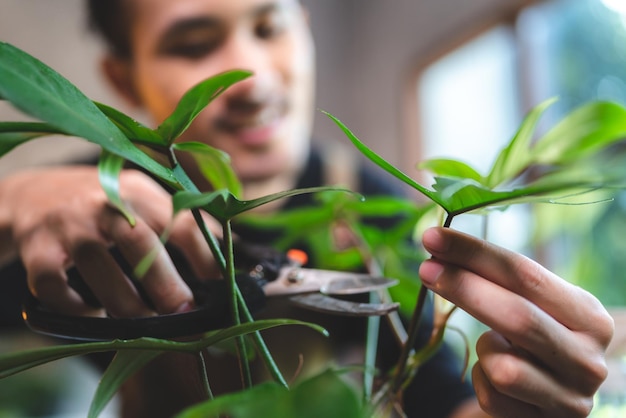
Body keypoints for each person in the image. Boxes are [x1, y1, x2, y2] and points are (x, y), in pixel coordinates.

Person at [0, 0, 613, 417]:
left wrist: (521, 397)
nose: (255, 80)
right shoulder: (86, 215)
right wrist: (11, 203)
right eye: (193, 44)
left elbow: (436, 396)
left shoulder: (372, 208)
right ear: (125, 79)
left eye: (270, 27)